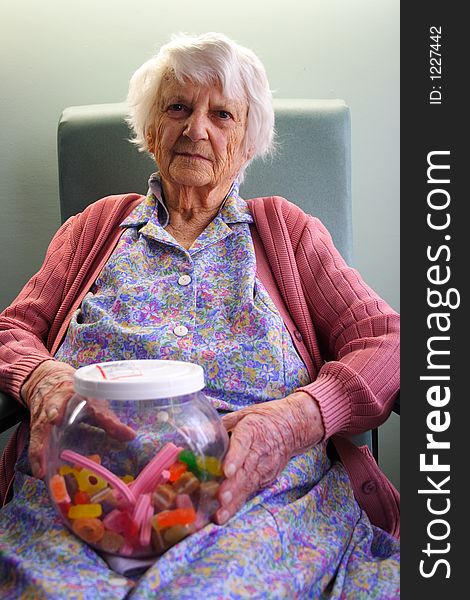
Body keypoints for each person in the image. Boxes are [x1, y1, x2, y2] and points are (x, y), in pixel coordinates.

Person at [0, 32, 400, 598]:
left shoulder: (286, 231)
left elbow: (388, 341)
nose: (196, 129)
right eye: (178, 108)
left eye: (222, 114)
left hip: (253, 499)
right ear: (151, 129)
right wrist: (42, 378)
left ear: (248, 138)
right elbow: (12, 329)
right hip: (80, 495)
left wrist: (295, 419)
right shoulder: (95, 228)